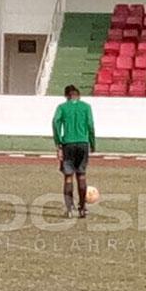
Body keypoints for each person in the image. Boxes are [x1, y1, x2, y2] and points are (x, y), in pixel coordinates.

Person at [52, 84, 95, 218]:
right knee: (81, 175)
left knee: (68, 177)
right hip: (83, 143)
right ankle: (82, 208)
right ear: (79, 95)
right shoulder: (86, 107)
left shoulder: (62, 107)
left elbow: (55, 122)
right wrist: (92, 143)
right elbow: (90, 125)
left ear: (66, 96)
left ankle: (69, 209)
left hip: (68, 143)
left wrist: (59, 142)